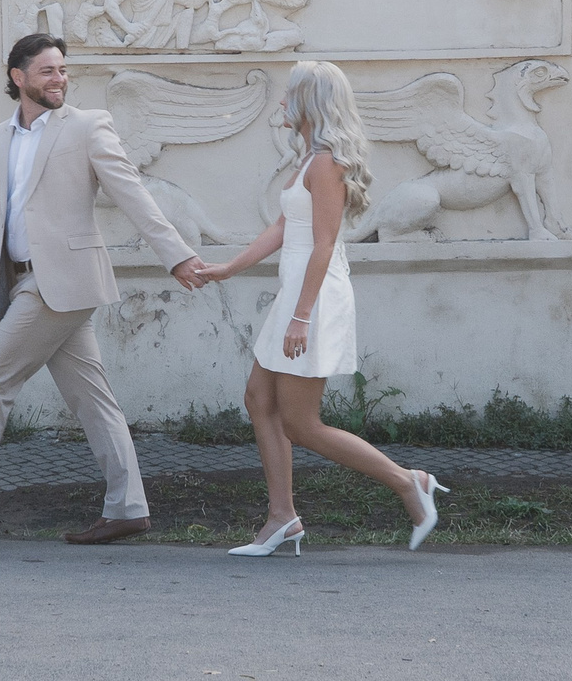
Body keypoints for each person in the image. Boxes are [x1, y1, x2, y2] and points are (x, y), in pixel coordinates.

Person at [0, 33, 205, 545]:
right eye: (48, 71)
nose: (59, 79)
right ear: (19, 78)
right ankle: (128, 508)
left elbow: (134, 195)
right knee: (92, 399)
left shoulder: (87, 126)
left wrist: (177, 255)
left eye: (62, 70)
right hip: (22, 280)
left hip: (64, 281)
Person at [188, 61, 447, 555]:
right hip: (296, 296)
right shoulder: (307, 161)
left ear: (311, 102)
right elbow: (284, 230)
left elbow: (324, 245)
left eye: (289, 95)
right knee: (259, 401)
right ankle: (282, 517)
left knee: (301, 423)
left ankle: (407, 482)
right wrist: (229, 268)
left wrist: (302, 316)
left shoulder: (328, 163)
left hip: (315, 297)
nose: (281, 103)